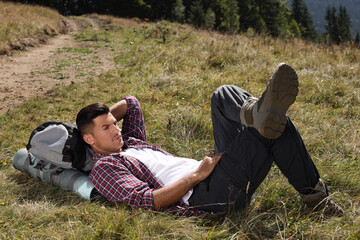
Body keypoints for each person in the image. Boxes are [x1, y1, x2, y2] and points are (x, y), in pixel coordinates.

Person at [76, 63, 344, 217]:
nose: (116, 130)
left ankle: (254, 113)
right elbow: (148, 201)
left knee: (222, 94)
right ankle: (317, 201)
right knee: (272, 125)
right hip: (207, 195)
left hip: (213, 172)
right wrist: (196, 175)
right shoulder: (105, 169)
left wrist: (101, 118)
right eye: (106, 129)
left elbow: (132, 104)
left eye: (114, 124)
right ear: (89, 138)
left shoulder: (131, 143)